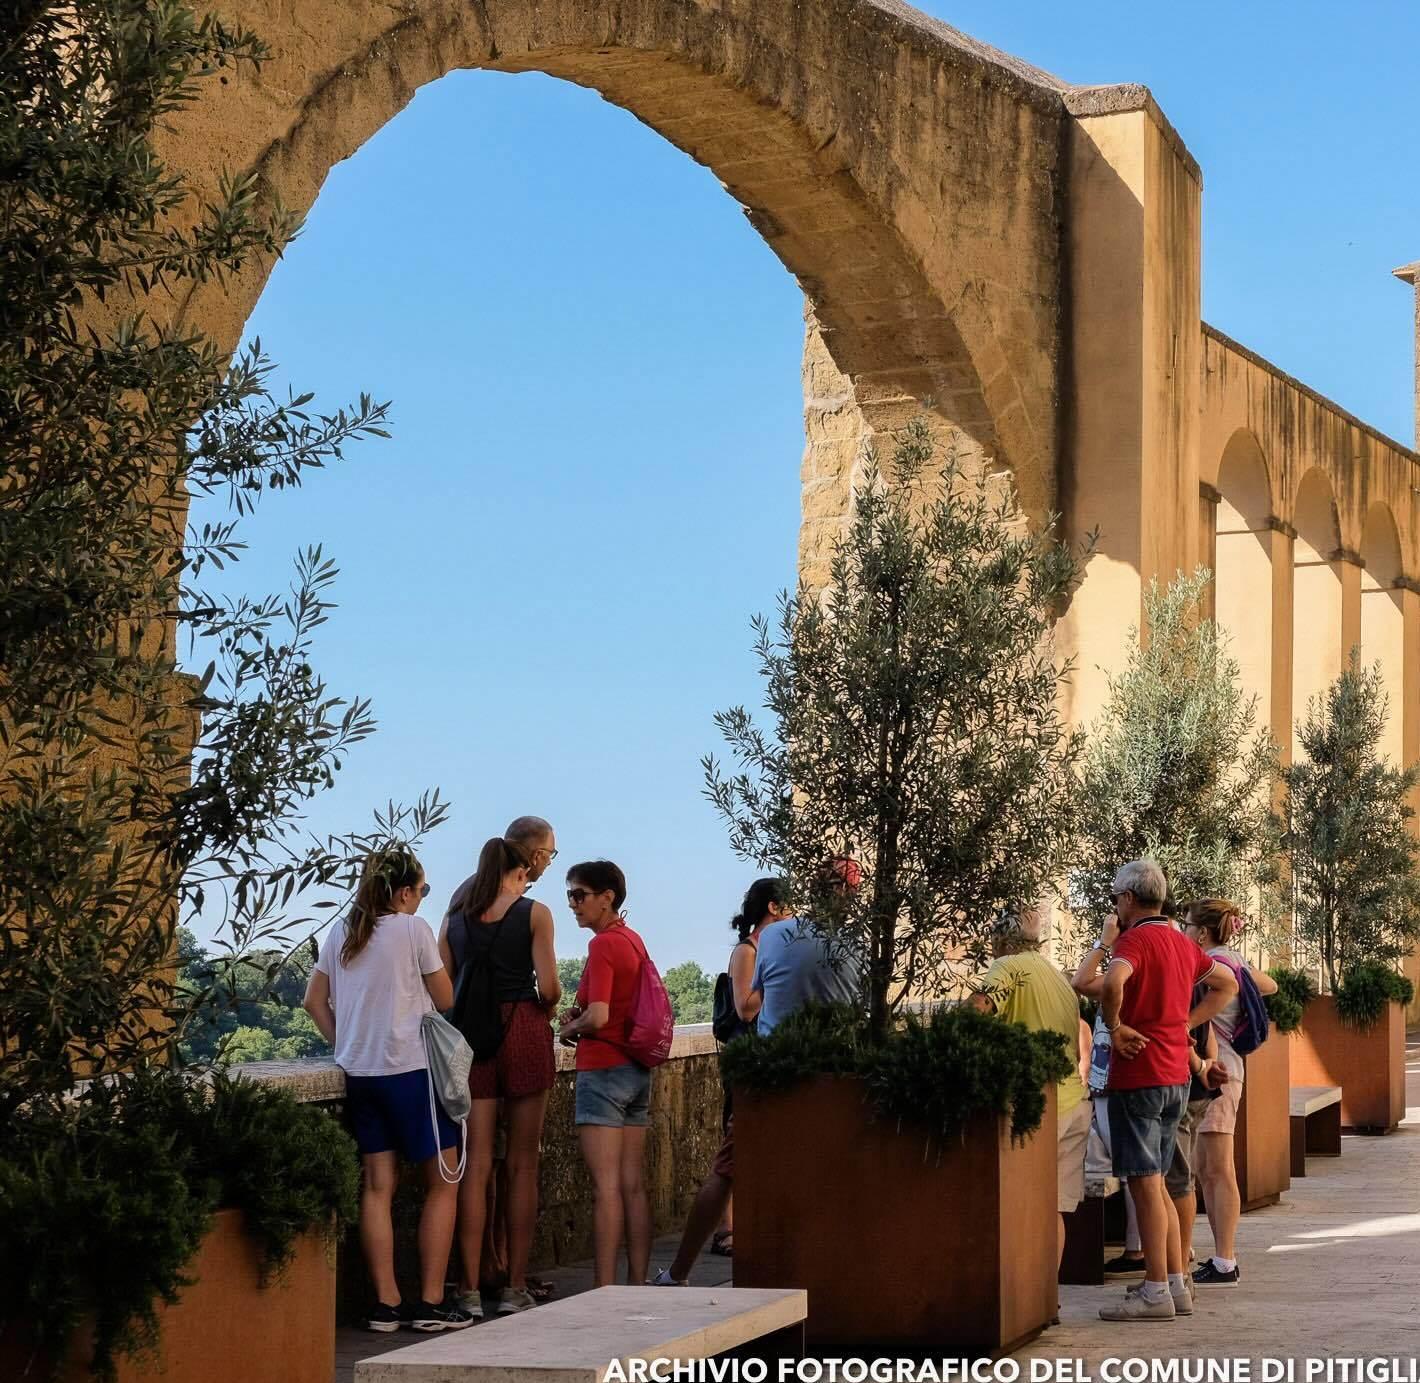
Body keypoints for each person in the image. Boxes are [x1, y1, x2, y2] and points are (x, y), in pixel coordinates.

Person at [302, 848, 475, 1333]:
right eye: (422, 890)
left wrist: (348, 1043)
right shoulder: (411, 930)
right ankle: (430, 1302)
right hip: (412, 1072)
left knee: (378, 1187)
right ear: (403, 892)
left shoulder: (341, 932)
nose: (422, 898)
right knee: (443, 1184)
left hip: (363, 1074)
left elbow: (313, 1000)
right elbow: (445, 999)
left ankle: (386, 1304)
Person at [1092, 859, 1237, 1322]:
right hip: (1177, 1074)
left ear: (1129, 899)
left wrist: (1115, 1027)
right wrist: (1184, 1025)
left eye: (1116, 897)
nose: (1115, 905)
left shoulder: (1133, 940)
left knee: (1145, 1183)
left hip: (1140, 1075)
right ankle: (1176, 1281)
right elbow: (1227, 983)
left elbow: (1111, 982)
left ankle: (1156, 1289)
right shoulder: (1180, 941)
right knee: (1170, 1180)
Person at [439, 832, 560, 1317]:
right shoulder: (534, 913)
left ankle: (468, 1288)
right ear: (521, 869)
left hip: (472, 1037)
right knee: (522, 1163)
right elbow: (548, 986)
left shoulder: (454, 918)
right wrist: (545, 1009)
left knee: (477, 1163)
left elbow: (442, 988)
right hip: (523, 1031)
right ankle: (513, 1287)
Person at [652, 877, 792, 1286]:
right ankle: (717, 1238)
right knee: (732, 1157)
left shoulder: (770, 947)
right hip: (748, 1061)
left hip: (764, 1060)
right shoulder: (748, 952)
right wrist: (777, 982)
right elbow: (746, 1008)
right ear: (773, 907)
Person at [971, 903, 1091, 1271]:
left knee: (1018, 1205)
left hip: (1037, 1106)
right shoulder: (1056, 977)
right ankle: (1043, 1299)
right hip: (1073, 1101)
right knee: (1052, 1207)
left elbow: (979, 1008)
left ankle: (1020, 1298)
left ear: (1000, 939)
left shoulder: (1006, 967)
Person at [557, 860, 655, 1287]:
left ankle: (604, 1291)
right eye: (569, 897)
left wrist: (569, 1028)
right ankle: (636, 1284)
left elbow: (598, 1016)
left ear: (606, 896)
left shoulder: (601, 947)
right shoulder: (633, 941)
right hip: (635, 1068)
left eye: (579, 896)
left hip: (603, 1069)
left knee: (607, 1189)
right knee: (632, 1187)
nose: (573, 905)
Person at [1184, 897, 1278, 1288]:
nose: (1184, 931)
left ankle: (1226, 1261)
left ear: (1202, 931)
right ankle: (1215, 1256)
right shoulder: (1233, 960)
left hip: (1217, 1074)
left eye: (1188, 925)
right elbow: (1269, 984)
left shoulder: (1214, 966)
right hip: (1224, 1073)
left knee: (1218, 1170)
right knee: (1205, 1168)